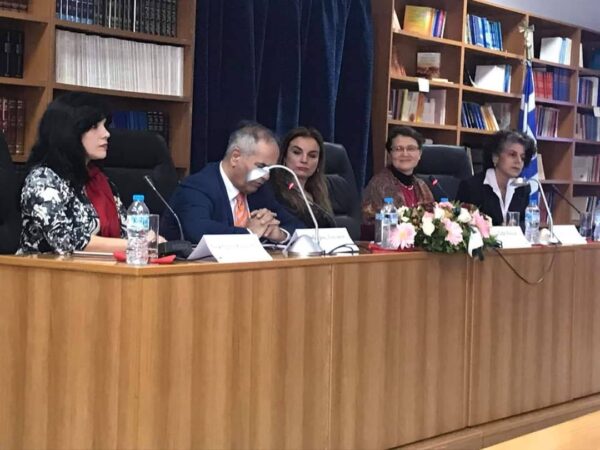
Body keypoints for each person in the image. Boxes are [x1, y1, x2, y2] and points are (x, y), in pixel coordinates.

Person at [19, 92, 129, 254]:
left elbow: (126, 232)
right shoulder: (43, 180)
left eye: (105, 125)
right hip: (46, 269)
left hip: (100, 267)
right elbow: (66, 241)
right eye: (94, 127)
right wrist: (136, 244)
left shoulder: (97, 180)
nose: (106, 134)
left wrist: (149, 238)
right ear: (70, 131)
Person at [163, 122, 304, 243]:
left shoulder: (260, 190)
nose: (266, 176)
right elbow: (198, 231)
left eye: (270, 169)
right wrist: (249, 233)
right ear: (235, 157)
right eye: (261, 167)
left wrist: (279, 234)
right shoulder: (198, 186)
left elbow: (298, 226)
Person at [457, 130, 535, 226]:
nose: (518, 161)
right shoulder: (471, 187)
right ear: (495, 157)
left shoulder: (522, 188)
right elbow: (463, 225)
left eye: (522, 157)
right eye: (512, 154)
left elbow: (525, 224)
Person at [362, 126, 434, 222]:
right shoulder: (378, 185)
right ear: (389, 154)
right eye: (398, 149)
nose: (405, 154)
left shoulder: (422, 186)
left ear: (419, 154)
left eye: (411, 148)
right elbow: (369, 222)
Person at [271, 126, 336, 228]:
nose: (304, 160)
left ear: (319, 162)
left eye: (312, 155)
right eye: (297, 152)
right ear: (284, 156)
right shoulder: (273, 190)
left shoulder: (321, 192)